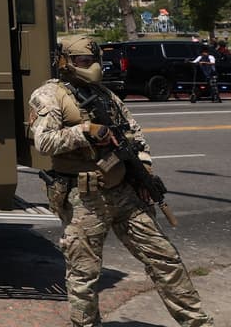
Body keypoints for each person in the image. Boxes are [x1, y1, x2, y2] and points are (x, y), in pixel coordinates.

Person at [29, 35, 212, 327]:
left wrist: (144, 170)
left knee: (164, 258)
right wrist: (85, 131)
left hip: (125, 192)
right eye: (84, 61)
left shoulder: (104, 95)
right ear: (65, 62)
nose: (91, 66)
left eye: (94, 60)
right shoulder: (49, 95)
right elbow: (44, 142)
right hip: (83, 198)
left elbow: (134, 133)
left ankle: (197, 322)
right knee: (84, 275)